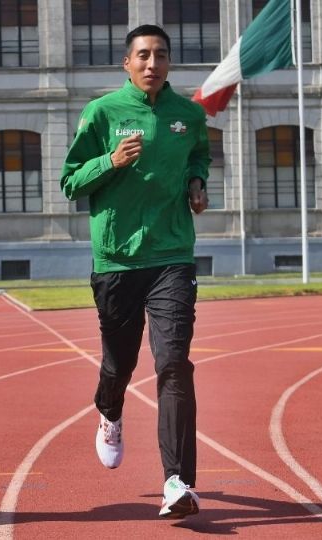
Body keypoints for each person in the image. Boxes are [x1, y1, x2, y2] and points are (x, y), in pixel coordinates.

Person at [60, 24, 210, 519]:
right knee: (118, 366)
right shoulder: (102, 113)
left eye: (161, 55)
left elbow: (199, 156)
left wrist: (196, 181)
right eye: (143, 56)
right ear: (127, 63)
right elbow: (69, 180)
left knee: (174, 365)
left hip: (172, 255)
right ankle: (110, 410)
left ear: (169, 63)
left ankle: (178, 482)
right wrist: (110, 160)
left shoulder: (188, 115)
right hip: (117, 260)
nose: (152, 64)